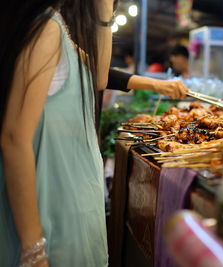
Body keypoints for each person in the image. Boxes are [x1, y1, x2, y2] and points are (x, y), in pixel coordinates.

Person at [0, 1, 185, 267]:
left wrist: (155, 83)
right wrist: (34, 251)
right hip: (51, 207)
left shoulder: (55, 26)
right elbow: (14, 139)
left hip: (68, 201)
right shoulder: (46, 27)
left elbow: (98, 74)